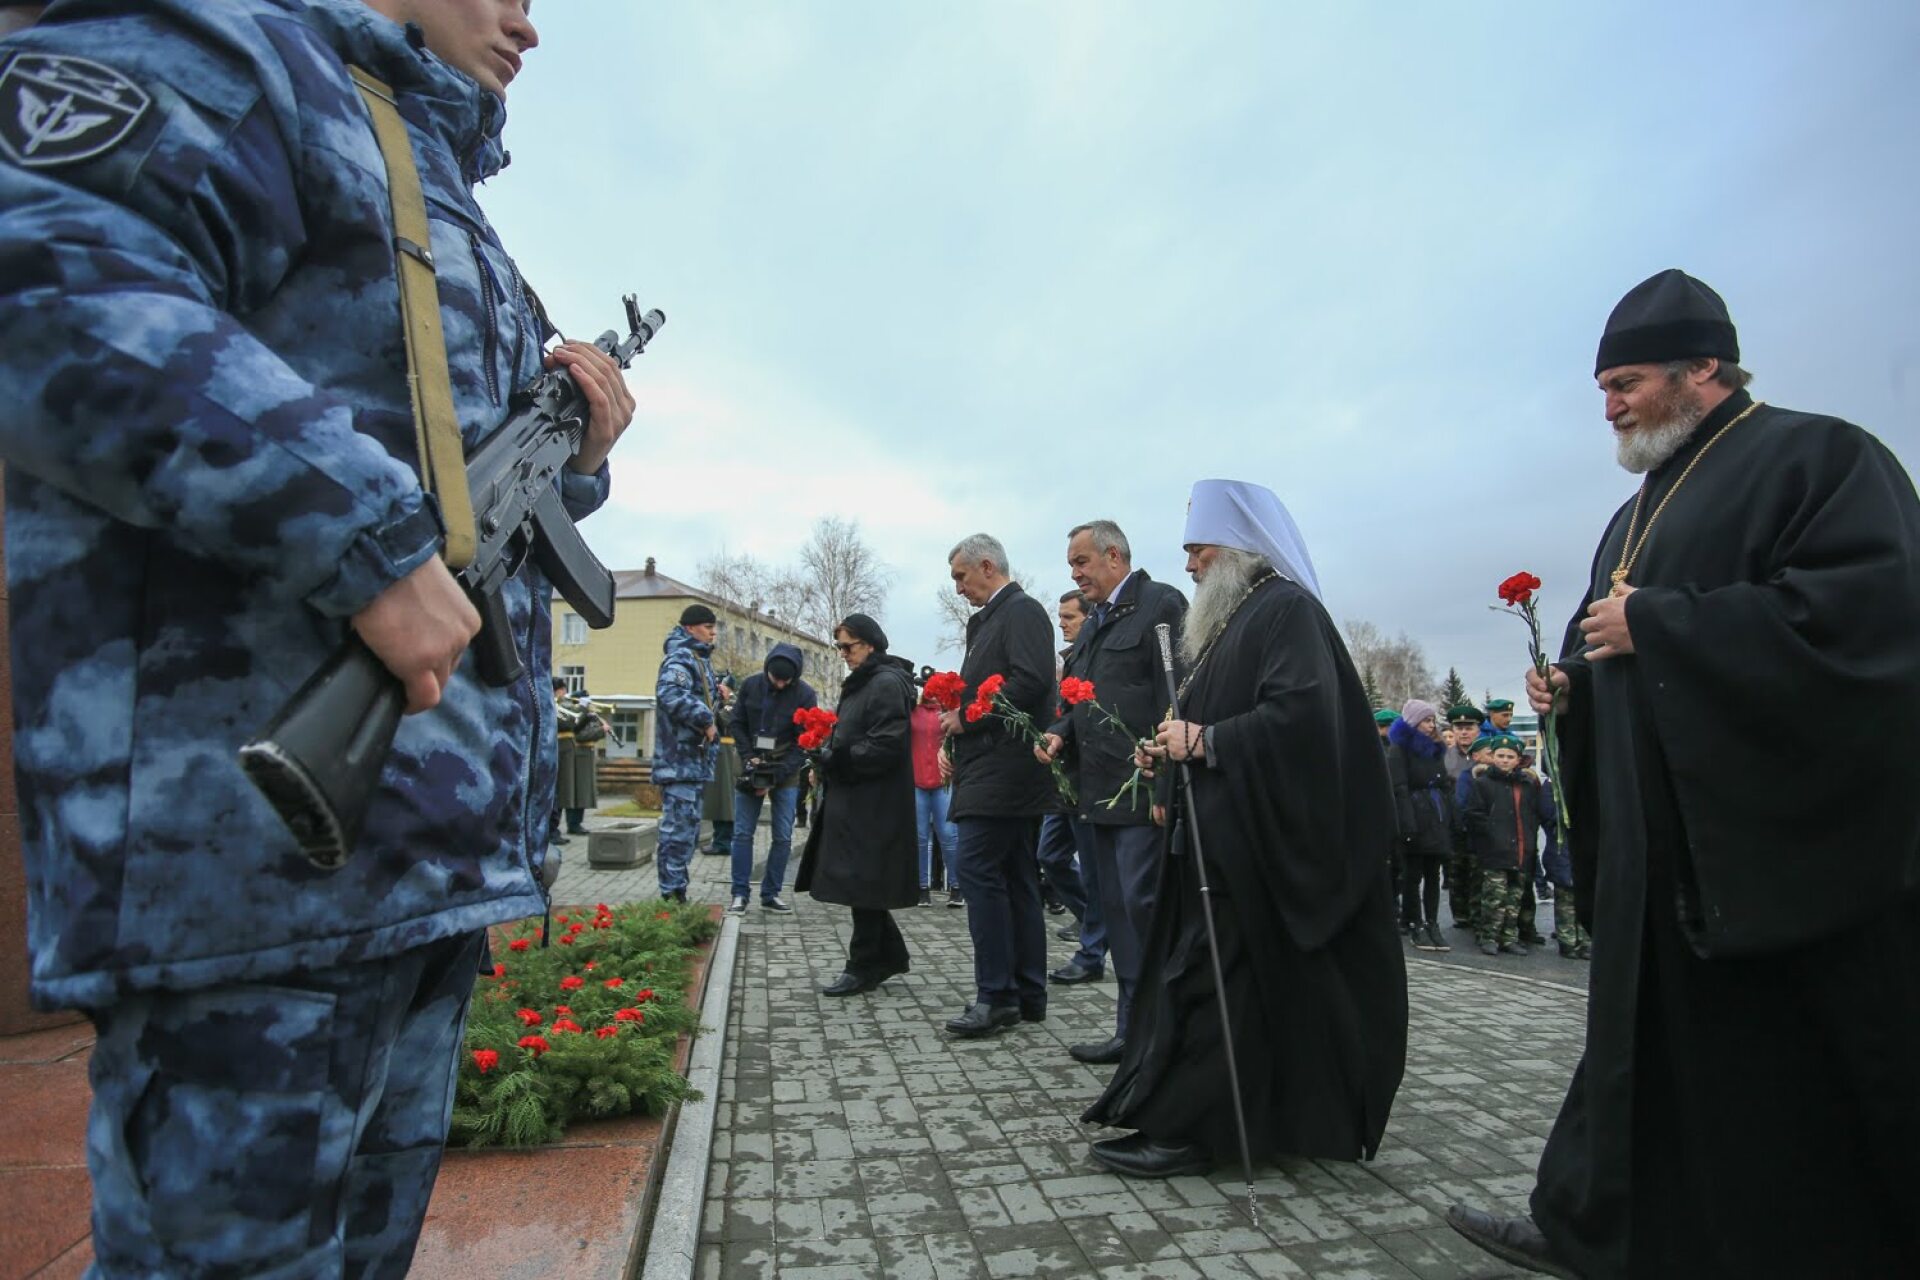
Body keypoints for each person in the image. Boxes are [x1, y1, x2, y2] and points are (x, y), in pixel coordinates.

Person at [0, 2, 639, 1273]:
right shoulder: (239, 50)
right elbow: (50, 266)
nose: (529, 24)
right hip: (251, 866)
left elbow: (455, 483)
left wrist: (580, 453)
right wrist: (364, 536)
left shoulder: (436, 184)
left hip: (423, 864)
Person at [1449, 270, 1920, 1279]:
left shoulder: (1823, 458)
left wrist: (1662, 622)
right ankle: (1598, 1226)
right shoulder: (1634, 514)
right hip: (1653, 855)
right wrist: (1571, 685)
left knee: (1773, 1085)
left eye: (1625, 384)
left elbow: (1869, 626)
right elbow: (1611, 647)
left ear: (1704, 366)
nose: (1610, 407)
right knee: (1638, 1054)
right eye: (1603, 389)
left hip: (1767, 859)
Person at [1084, 479, 1406, 1178]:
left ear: (1239, 548)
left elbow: (1301, 718)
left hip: (1258, 844)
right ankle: (1238, 1120)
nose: (1190, 565)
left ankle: (1191, 1133)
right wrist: (1169, 753)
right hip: (1221, 834)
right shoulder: (1233, 619)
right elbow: (1209, 719)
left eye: (1198, 550)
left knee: (1213, 984)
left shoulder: (1286, 609)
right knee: (1219, 982)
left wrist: (1204, 741)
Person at [1040, 520, 1187, 1064]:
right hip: (1096, 794)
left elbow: (1181, 694)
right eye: (1071, 566)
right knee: (1119, 919)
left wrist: (1166, 784)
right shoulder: (1094, 623)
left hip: (1142, 794)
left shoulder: (1160, 606)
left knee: (1145, 912)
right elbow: (1081, 702)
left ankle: (1166, 1035)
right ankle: (1132, 1032)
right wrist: (1059, 731)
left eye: (1081, 563)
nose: (1075, 575)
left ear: (1115, 557)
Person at [939, 533, 1056, 1038]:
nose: (958, 588)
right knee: (1016, 876)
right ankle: (1026, 994)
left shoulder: (1022, 611)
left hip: (1004, 771)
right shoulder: (988, 620)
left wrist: (965, 718)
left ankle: (997, 995)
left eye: (961, 577)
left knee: (977, 870)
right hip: (993, 768)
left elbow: (1030, 681)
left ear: (987, 566)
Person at [796, 616, 919, 994]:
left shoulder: (884, 683)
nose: (843, 654)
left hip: (873, 802)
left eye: (848, 647)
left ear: (870, 645)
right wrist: (825, 756)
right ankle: (886, 957)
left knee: (862, 883)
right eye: (840, 648)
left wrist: (838, 759)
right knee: (861, 883)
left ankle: (863, 964)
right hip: (859, 797)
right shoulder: (867, 681)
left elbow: (887, 742)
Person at [727, 644, 817, 913]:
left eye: (785, 680)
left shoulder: (805, 694)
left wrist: (777, 774)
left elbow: (805, 740)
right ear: (767, 670)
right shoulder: (751, 685)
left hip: (786, 767)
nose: (779, 684)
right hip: (751, 763)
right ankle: (739, 893)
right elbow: (737, 723)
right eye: (775, 678)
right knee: (742, 832)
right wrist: (749, 758)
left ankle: (771, 893)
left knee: (783, 835)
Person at [654, 605, 722, 902]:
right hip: (679, 762)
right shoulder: (681, 657)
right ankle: (671, 893)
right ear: (690, 628)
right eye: (708, 627)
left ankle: (677, 887)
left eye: (713, 627)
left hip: (693, 762)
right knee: (678, 830)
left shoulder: (697, 658)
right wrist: (705, 718)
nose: (713, 633)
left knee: (688, 830)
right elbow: (669, 693)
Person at [1461, 734, 1540, 956]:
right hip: (1495, 851)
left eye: (1510, 757)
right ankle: (1489, 936)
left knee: (1514, 898)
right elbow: (1473, 814)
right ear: (1493, 757)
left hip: (1521, 850)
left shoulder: (1526, 785)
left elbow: (1533, 815)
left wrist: (1530, 839)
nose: (1505, 760)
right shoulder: (1483, 783)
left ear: (1518, 760)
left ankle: (1509, 937)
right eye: (1500, 755)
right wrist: (1491, 834)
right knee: (1494, 898)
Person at [1386, 699, 1452, 952]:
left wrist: (1447, 814)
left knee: (1433, 874)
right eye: (1426, 720)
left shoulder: (1435, 749)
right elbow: (1399, 788)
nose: (1431, 725)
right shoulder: (1399, 750)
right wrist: (1407, 824)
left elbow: (1444, 784)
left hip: (1435, 815)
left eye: (1432, 720)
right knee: (1412, 875)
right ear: (1413, 722)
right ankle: (1414, 922)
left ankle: (1432, 922)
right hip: (1414, 814)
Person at [909, 680, 960, 907]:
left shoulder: (950, 712)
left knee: (949, 836)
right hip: (917, 782)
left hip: (943, 783)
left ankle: (957, 887)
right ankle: (922, 888)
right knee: (920, 838)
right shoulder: (912, 711)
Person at [702, 676, 739, 855]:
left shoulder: (732, 704)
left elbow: (725, 720)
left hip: (727, 753)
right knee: (717, 800)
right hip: (718, 753)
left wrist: (723, 700)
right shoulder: (719, 704)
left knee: (725, 800)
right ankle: (719, 839)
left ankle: (723, 842)